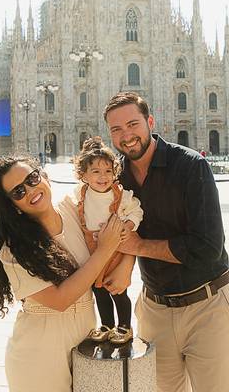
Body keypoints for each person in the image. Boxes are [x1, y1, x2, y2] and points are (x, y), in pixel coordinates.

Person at [102, 91, 229, 392]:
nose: (126, 136)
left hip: (206, 306)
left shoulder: (191, 167)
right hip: (154, 310)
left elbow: (207, 248)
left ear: (150, 122)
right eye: (117, 129)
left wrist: (139, 248)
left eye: (132, 124)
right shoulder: (115, 177)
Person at [0, 155, 127, 392]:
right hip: (40, 353)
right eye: (18, 192)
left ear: (44, 177)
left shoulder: (73, 209)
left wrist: (126, 265)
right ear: (12, 207)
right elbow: (60, 300)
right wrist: (105, 251)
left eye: (32, 179)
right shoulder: (14, 250)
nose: (30, 190)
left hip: (86, 338)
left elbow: (125, 217)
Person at [64, 136, 143, 344]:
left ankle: (124, 326)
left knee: (117, 290)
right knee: (98, 291)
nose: (103, 176)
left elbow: (136, 211)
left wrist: (128, 225)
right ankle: (107, 325)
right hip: (92, 252)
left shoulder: (120, 195)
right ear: (84, 175)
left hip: (115, 252)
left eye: (108, 171)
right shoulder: (80, 193)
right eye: (96, 172)